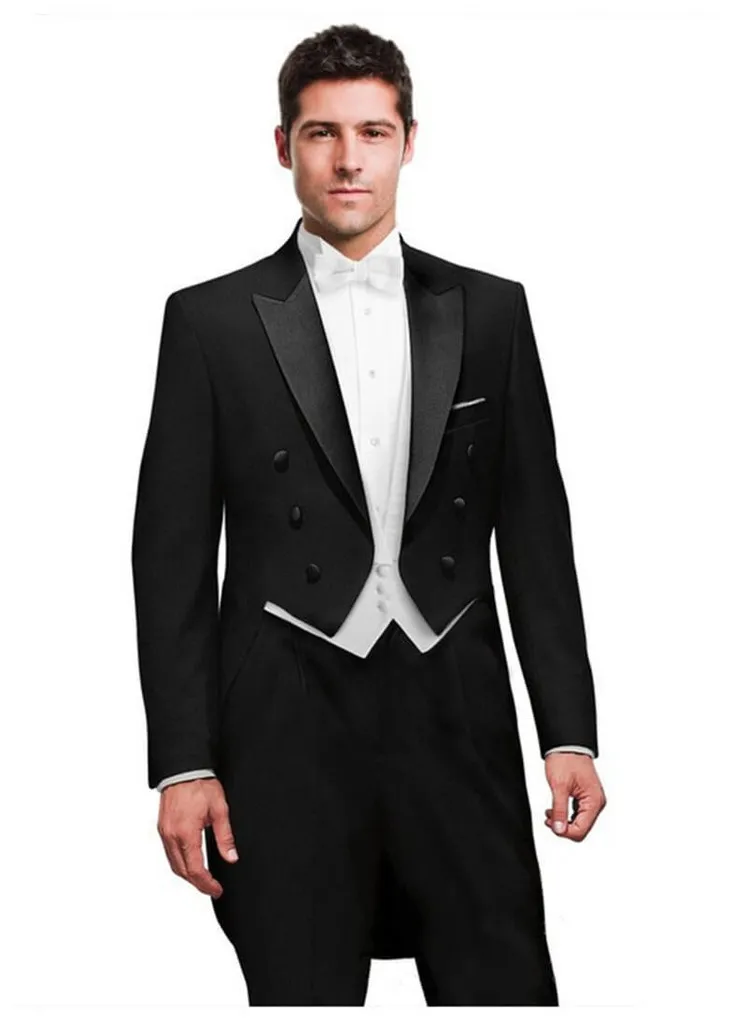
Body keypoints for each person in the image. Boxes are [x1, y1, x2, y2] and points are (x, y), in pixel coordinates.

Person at [131, 22, 606, 1007]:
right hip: (283, 721)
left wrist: (569, 733)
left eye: (373, 132)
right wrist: (182, 763)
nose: (349, 159)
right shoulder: (208, 321)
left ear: (408, 141)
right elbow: (170, 559)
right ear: (284, 146)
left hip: (458, 710)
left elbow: (535, 534)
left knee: (503, 992)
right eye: (322, 133)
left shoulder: (493, 310)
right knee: (301, 994)